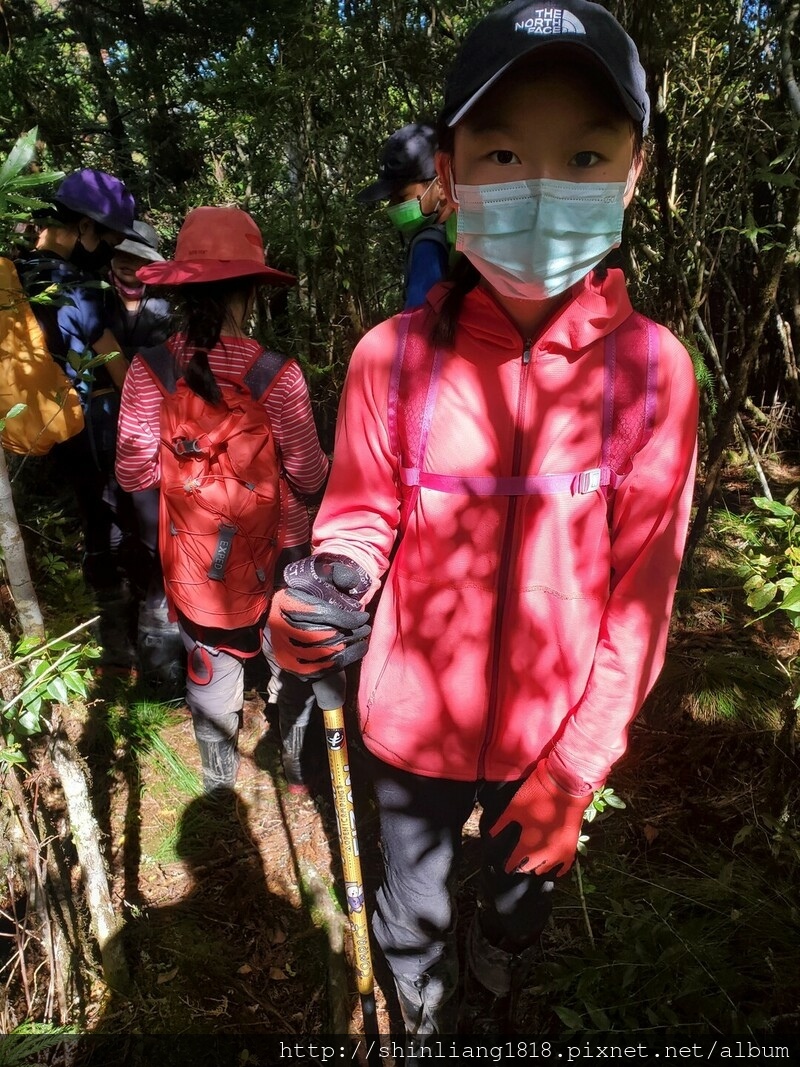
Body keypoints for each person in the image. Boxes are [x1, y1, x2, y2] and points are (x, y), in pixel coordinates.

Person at [270, 0, 699, 1037]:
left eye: (584, 155)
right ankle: (419, 1004)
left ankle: (493, 959)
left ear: (633, 172)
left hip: (552, 730)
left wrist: (574, 769)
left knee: (516, 894)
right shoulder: (391, 357)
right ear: (450, 177)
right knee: (408, 899)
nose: (541, 187)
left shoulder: (653, 374)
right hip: (409, 715)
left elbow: (641, 597)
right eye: (501, 152)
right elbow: (363, 516)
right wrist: (326, 589)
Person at [116, 206, 329, 794]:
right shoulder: (276, 375)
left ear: (181, 289)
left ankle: (217, 782)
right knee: (292, 658)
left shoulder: (148, 371)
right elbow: (307, 473)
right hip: (280, 545)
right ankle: (296, 769)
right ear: (253, 292)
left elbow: (133, 473)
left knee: (208, 659)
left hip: (187, 548)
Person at [17, 168, 141, 666]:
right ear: (85, 228)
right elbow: (115, 363)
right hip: (91, 417)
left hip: (40, 417)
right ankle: (122, 627)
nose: (108, 250)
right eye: (108, 239)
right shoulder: (78, 285)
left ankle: (107, 616)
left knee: (89, 511)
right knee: (113, 510)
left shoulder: (13, 272)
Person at [103, 221, 182, 694]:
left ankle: (163, 659)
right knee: (116, 524)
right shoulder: (96, 302)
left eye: (138, 257)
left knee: (160, 544)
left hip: (159, 441)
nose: (128, 264)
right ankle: (121, 633)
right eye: (121, 255)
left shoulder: (168, 311)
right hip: (105, 430)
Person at [358, 123, 454, 309]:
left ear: (441, 185)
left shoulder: (427, 247)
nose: (393, 206)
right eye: (390, 198)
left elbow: (418, 326)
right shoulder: (464, 234)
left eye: (402, 196)